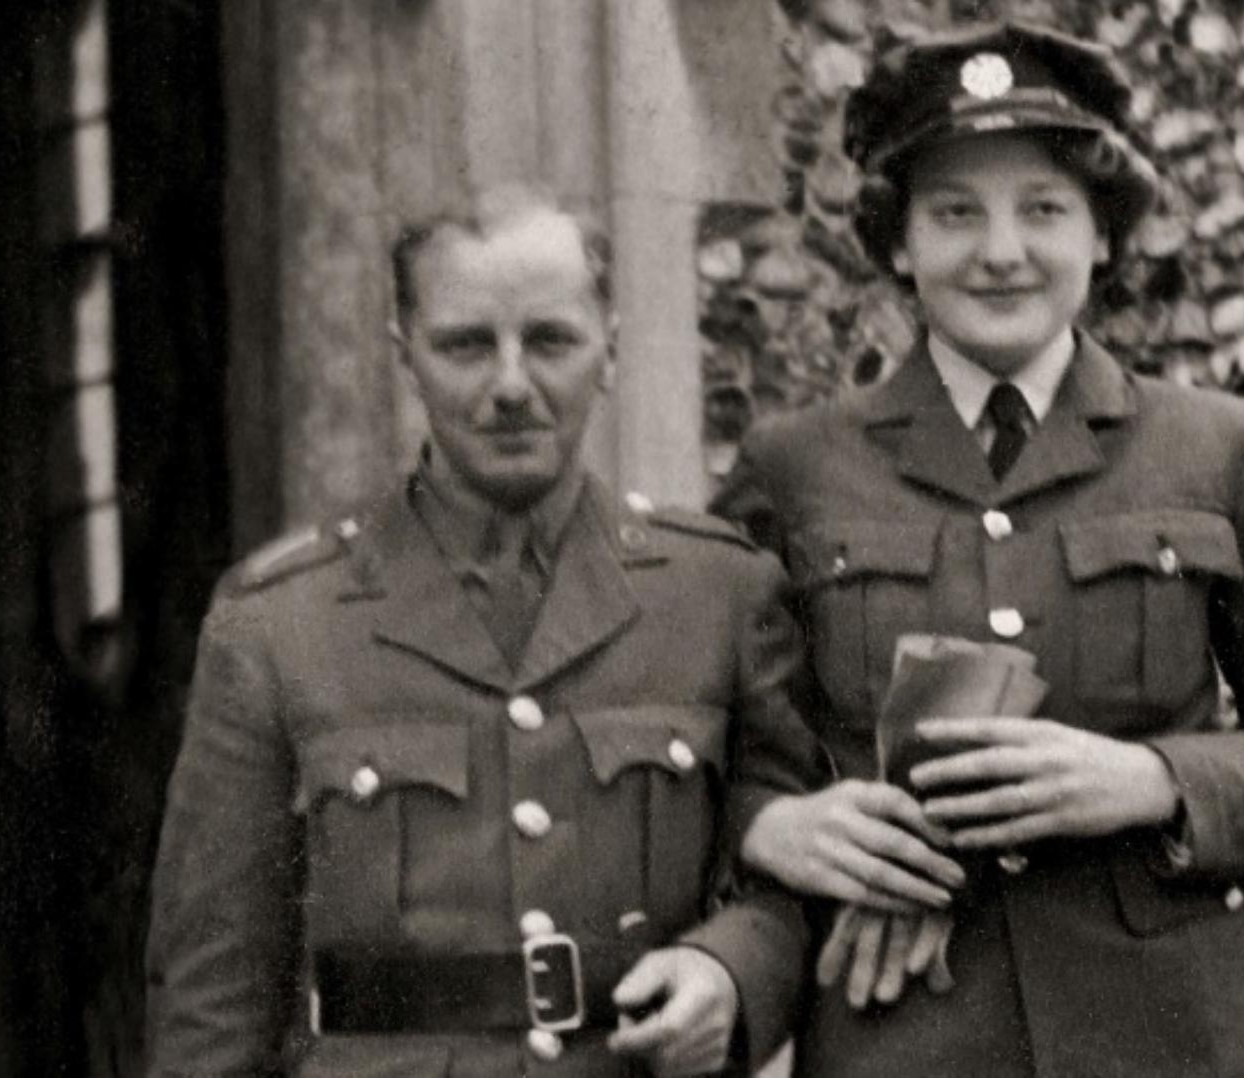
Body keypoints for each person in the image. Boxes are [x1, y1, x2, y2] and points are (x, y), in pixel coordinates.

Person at [714, 22, 1244, 1078]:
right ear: (897, 243)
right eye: (954, 213)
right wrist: (775, 830)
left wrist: (1153, 780)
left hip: (1185, 1038)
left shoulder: (1217, 445)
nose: (1001, 252)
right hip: (910, 1036)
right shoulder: (794, 466)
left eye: (1044, 210)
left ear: (1106, 236)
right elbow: (718, 758)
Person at [146, 185, 826, 1077]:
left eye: (550, 341)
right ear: (407, 357)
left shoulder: (717, 594)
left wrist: (731, 971)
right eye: (466, 345)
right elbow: (213, 990)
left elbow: (795, 869)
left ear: (610, 351)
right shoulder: (279, 625)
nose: (511, 385)